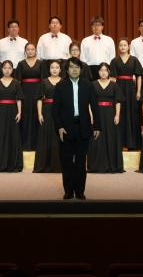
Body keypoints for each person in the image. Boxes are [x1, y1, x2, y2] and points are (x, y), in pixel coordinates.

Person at [51, 57, 97, 199]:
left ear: (81, 69)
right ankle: (68, 191)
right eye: (71, 67)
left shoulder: (88, 85)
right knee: (66, 162)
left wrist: (97, 126)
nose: (74, 70)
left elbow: (95, 106)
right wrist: (59, 127)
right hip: (66, 128)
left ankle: (80, 191)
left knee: (81, 162)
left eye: (77, 67)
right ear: (67, 70)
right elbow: (55, 109)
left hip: (83, 127)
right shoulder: (60, 86)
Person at [87, 62, 124, 173]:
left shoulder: (114, 85)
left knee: (110, 138)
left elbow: (118, 101)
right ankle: (95, 165)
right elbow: (88, 102)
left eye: (105, 70)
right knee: (96, 139)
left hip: (110, 114)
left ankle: (112, 165)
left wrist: (117, 115)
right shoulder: (93, 84)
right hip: (97, 113)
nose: (103, 73)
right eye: (101, 70)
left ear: (109, 72)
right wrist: (91, 115)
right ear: (98, 72)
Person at [110, 37, 143, 150]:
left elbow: (139, 76)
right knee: (120, 112)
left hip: (130, 89)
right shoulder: (114, 60)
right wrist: (112, 92)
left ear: (128, 46)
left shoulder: (134, 60)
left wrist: (138, 91)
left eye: (124, 45)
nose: (122, 47)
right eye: (120, 45)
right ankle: (119, 143)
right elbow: (112, 78)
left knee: (131, 113)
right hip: (118, 87)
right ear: (118, 47)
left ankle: (132, 143)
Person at [34, 59, 64, 173]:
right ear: (49, 70)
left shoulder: (64, 82)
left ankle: (59, 165)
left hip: (60, 112)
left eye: (57, 67)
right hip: (46, 110)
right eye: (52, 68)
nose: (54, 70)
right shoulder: (44, 82)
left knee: (59, 136)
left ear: (60, 70)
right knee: (46, 135)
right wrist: (39, 114)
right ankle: (44, 165)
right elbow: (39, 99)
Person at [17, 42, 43, 150]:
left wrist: (42, 94)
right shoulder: (21, 63)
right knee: (25, 116)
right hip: (24, 93)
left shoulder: (41, 63)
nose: (30, 51)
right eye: (28, 49)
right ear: (25, 51)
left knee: (37, 115)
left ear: (36, 51)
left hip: (38, 92)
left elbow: (44, 80)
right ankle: (25, 144)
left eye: (32, 49)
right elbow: (18, 82)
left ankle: (37, 144)